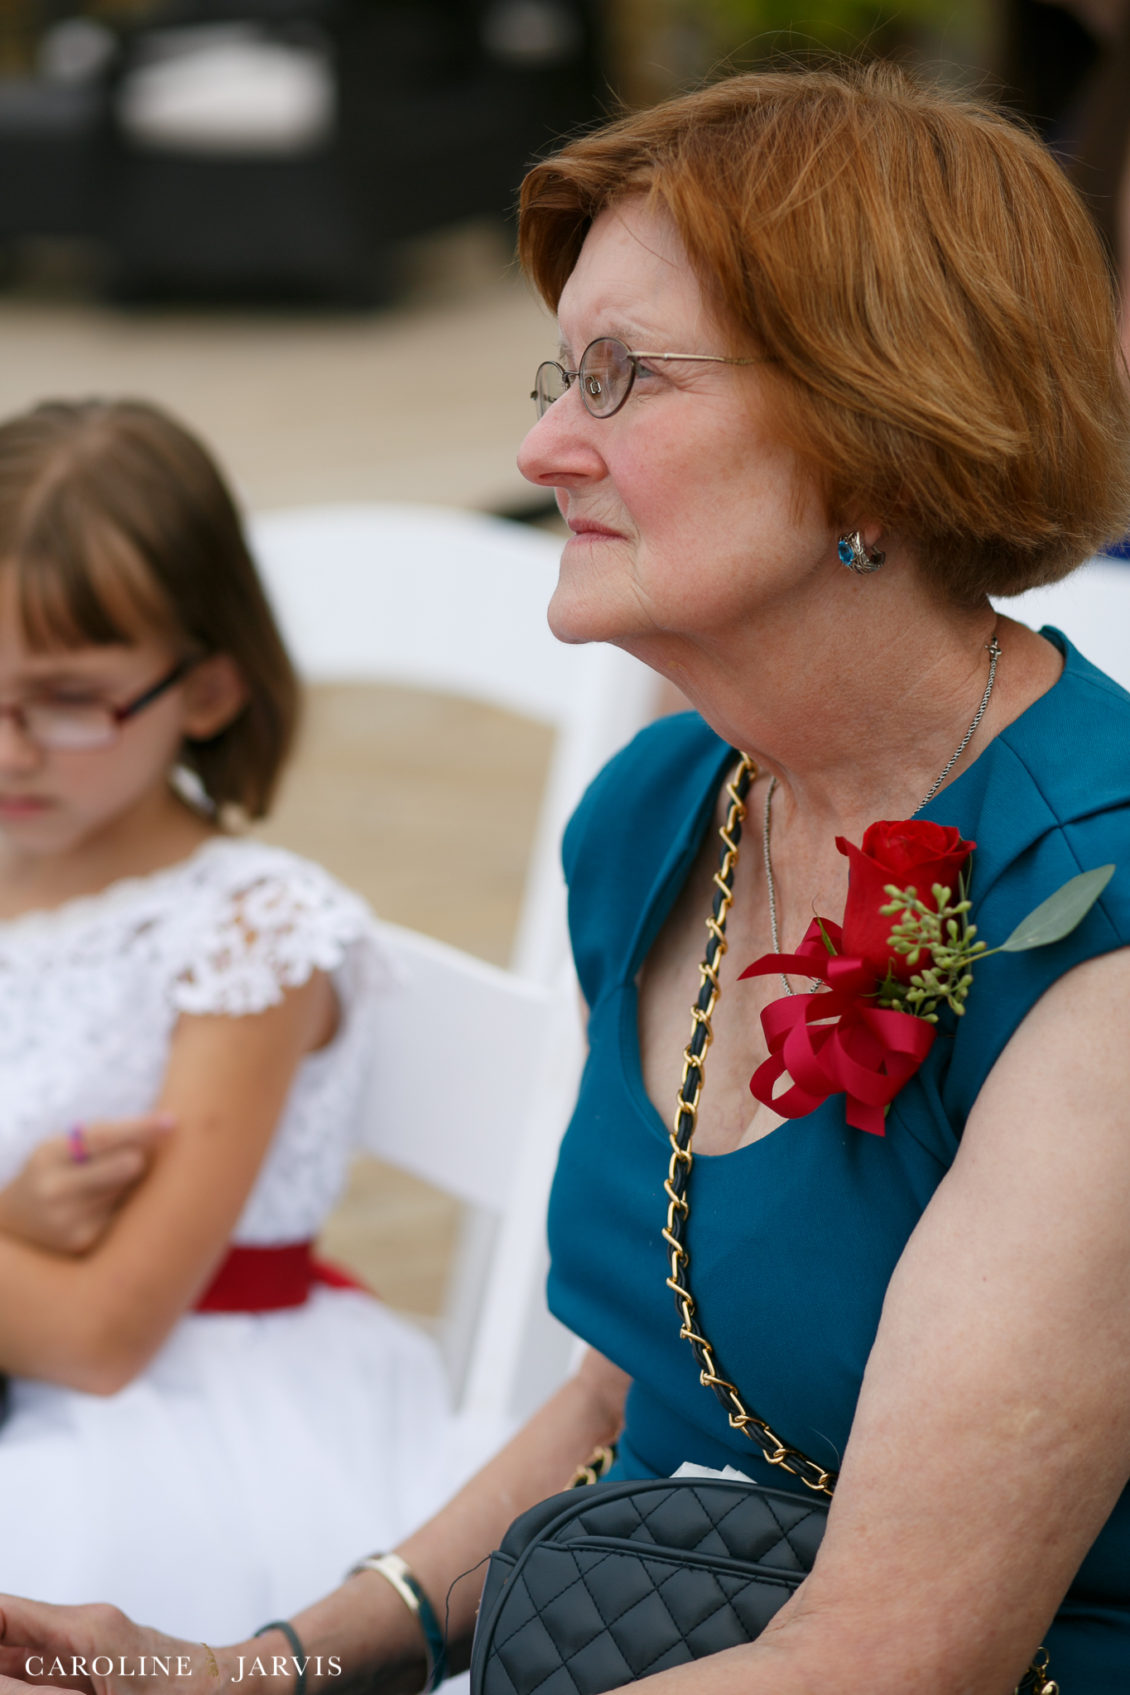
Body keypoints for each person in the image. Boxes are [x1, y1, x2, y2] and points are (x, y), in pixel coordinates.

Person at [3, 57, 1130, 1695]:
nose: (540, 446)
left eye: (623, 379)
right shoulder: (670, 807)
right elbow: (628, 1395)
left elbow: (892, 1661)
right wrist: (260, 1669)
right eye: (558, 374)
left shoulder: (1088, 941)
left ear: (876, 430)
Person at [0, 399, 452, 1642]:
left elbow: (100, 1334)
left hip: (175, 1418)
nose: (10, 747)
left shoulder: (247, 936)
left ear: (203, 690)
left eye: (67, 699)